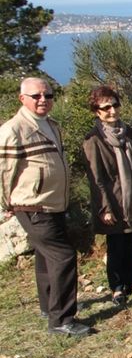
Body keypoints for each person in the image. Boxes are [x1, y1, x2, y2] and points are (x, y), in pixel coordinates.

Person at [0, 78, 93, 337]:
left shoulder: (51, 125)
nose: (43, 100)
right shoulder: (13, 130)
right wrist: (5, 204)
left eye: (48, 95)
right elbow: (4, 172)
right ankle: (62, 320)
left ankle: (49, 306)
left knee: (45, 257)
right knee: (63, 256)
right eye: (36, 96)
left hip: (53, 204)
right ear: (23, 99)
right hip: (32, 205)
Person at [83, 86, 132, 307]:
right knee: (116, 245)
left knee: (131, 241)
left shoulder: (126, 131)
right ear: (96, 111)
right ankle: (117, 288)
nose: (112, 110)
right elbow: (96, 178)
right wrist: (104, 208)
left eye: (114, 105)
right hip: (113, 200)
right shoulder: (94, 140)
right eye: (106, 107)